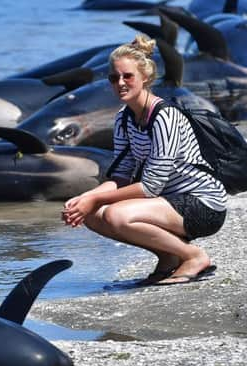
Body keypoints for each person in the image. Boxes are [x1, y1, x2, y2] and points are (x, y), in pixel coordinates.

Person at [61, 34, 227, 285]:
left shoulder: (164, 116)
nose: (121, 83)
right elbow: (121, 177)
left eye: (128, 76)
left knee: (116, 215)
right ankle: (169, 257)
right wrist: (84, 200)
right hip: (169, 202)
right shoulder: (123, 119)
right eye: (114, 78)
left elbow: (151, 186)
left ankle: (194, 256)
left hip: (203, 205)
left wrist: (94, 198)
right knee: (91, 214)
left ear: (146, 78)